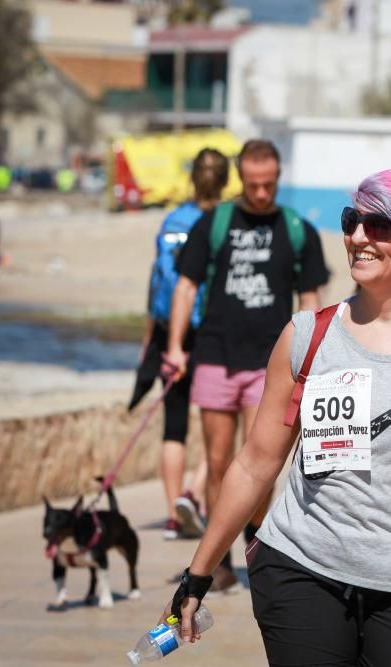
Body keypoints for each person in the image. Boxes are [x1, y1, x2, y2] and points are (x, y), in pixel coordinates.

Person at [158, 165, 391, 666]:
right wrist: (198, 572)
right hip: (303, 570)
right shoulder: (307, 336)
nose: (357, 236)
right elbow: (254, 464)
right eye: (352, 220)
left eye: (379, 225)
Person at [165, 139, 330, 592]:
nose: (261, 193)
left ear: (278, 178)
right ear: (241, 178)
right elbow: (185, 286)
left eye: (269, 184)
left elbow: (311, 299)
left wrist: (310, 359)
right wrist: (176, 346)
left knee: (263, 460)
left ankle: (256, 542)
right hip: (215, 355)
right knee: (218, 461)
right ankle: (217, 560)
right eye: (253, 184)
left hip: (270, 364)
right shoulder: (213, 224)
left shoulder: (297, 230)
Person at [130, 149, 228, 540]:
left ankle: (174, 513)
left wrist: (151, 339)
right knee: (221, 421)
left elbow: (158, 281)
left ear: (192, 180)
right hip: (207, 331)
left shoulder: (171, 220)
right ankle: (194, 493)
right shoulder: (222, 223)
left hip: (168, 328)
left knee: (173, 427)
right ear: (225, 181)